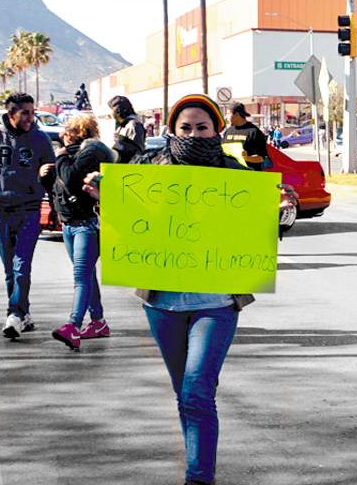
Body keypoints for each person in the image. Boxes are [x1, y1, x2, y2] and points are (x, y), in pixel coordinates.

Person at [82, 94, 292, 485]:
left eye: (202, 127)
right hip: (162, 303)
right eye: (185, 128)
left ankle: (199, 477)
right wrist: (103, 199)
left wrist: (282, 210)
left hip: (217, 303)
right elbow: (129, 224)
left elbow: (263, 230)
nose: (193, 134)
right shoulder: (148, 171)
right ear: (172, 130)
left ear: (217, 130)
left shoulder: (237, 174)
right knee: (186, 394)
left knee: (197, 391)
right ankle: (197, 463)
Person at [0, 93, 56, 338]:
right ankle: (23, 314)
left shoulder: (40, 139)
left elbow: (54, 177)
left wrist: (50, 187)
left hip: (30, 211)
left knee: (21, 266)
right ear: (11, 113)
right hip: (1, 212)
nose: (30, 118)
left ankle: (14, 314)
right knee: (9, 271)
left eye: (32, 112)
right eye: (25, 113)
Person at [50, 115, 117, 350]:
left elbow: (70, 179)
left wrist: (60, 158)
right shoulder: (75, 154)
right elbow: (58, 186)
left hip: (86, 224)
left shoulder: (90, 152)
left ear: (74, 133)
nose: (62, 136)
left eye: (66, 132)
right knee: (86, 275)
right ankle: (98, 321)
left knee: (81, 275)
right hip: (70, 223)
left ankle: (74, 325)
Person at [223, 102, 269, 171]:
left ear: (237, 114)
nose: (226, 117)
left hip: (248, 174)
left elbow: (262, 157)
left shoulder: (254, 132)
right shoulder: (228, 131)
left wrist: (247, 158)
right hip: (230, 173)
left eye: (228, 113)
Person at [108, 95, 146, 164]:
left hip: (130, 166)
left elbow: (137, 152)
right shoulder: (123, 125)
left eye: (112, 110)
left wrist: (119, 144)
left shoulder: (134, 125)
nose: (111, 114)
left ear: (118, 110)